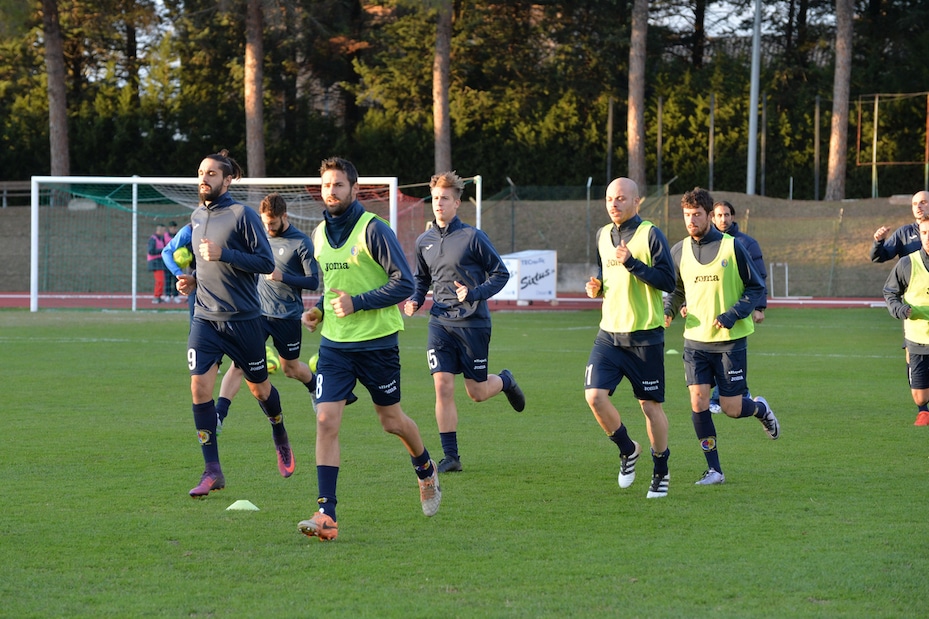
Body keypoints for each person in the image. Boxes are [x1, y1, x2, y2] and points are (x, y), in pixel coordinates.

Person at [297, 157, 441, 542]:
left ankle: (425, 468)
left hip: (377, 345)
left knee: (391, 422)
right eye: (326, 185)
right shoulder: (318, 236)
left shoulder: (373, 229)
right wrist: (317, 312)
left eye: (339, 185)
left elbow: (405, 284)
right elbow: (332, 289)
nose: (332, 192)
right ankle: (326, 513)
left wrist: (357, 303)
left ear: (354, 189)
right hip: (335, 347)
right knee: (326, 420)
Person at [177, 149, 294, 497]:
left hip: (243, 320)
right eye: (201, 171)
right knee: (199, 389)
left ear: (228, 180)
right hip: (205, 317)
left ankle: (279, 430)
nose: (204, 178)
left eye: (212, 173)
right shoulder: (196, 216)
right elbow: (207, 265)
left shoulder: (243, 214)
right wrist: (193, 280)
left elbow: (264, 262)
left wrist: (224, 254)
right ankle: (212, 470)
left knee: (260, 389)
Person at [403, 171, 524, 475]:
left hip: (473, 324)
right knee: (442, 386)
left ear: (457, 202)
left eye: (445, 198)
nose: (439, 204)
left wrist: (474, 293)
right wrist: (416, 299)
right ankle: (451, 456)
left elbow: (501, 274)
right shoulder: (424, 240)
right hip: (439, 322)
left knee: (476, 393)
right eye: (435, 198)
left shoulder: (473, 237)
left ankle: (506, 380)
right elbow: (422, 279)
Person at [664, 187, 780, 486]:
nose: (691, 221)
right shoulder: (678, 251)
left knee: (731, 408)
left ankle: (760, 409)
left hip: (729, 341)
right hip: (695, 342)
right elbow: (677, 289)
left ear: (708, 216)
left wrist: (732, 314)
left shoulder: (733, 248)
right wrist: (669, 309)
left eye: (697, 215)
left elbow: (755, 288)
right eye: (687, 216)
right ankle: (714, 469)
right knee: (699, 402)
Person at [214, 192, 353, 430]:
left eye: (272, 223)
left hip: (287, 316)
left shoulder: (301, 242)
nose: (267, 227)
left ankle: (314, 386)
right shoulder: (257, 237)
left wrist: (283, 277)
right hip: (257, 314)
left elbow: (312, 282)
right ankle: (218, 416)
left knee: (290, 368)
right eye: (264, 222)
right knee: (239, 364)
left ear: (284, 216)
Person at [584, 177, 676, 498]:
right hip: (609, 334)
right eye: (610, 198)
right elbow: (605, 275)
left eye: (621, 198)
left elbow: (668, 280)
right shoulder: (602, 235)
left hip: (645, 338)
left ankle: (661, 470)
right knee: (594, 396)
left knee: (650, 408)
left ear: (637, 201)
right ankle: (628, 449)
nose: (614, 204)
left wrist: (633, 263)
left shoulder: (650, 234)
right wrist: (596, 286)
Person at [871, 190, 929, 425]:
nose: (918, 207)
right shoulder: (905, 233)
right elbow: (881, 257)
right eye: (915, 203)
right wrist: (878, 242)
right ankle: (922, 407)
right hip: (914, 311)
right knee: (913, 356)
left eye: (923, 202)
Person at [707, 199, 767, 412]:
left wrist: (759, 307)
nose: (723, 219)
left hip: (737, 308)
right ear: (712, 218)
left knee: (728, 353)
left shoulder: (746, 243)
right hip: (710, 309)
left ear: (732, 216)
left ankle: (718, 398)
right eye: (719, 215)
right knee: (712, 353)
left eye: (727, 214)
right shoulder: (704, 242)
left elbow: (758, 276)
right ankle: (741, 392)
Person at [162, 222, 195, 316]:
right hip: (196, 282)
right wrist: (178, 273)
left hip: (219, 283)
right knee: (198, 324)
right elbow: (166, 252)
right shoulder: (188, 231)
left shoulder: (221, 226)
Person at [147, 222, 169, 304]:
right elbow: (151, 251)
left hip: (160, 261)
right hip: (155, 262)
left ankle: (159, 296)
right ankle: (156, 296)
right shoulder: (153, 239)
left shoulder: (161, 238)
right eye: (163, 230)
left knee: (161, 280)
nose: (165, 232)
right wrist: (162, 250)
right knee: (159, 280)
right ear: (159, 230)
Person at [163, 221, 182, 303]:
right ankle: (167, 295)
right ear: (169, 228)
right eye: (172, 228)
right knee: (167, 279)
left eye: (175, 228)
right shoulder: (164, 237)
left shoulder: (179, 236)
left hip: (177, 261)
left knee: (176, 279)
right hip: (167, 262)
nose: (174, 229)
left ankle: (175, 295)